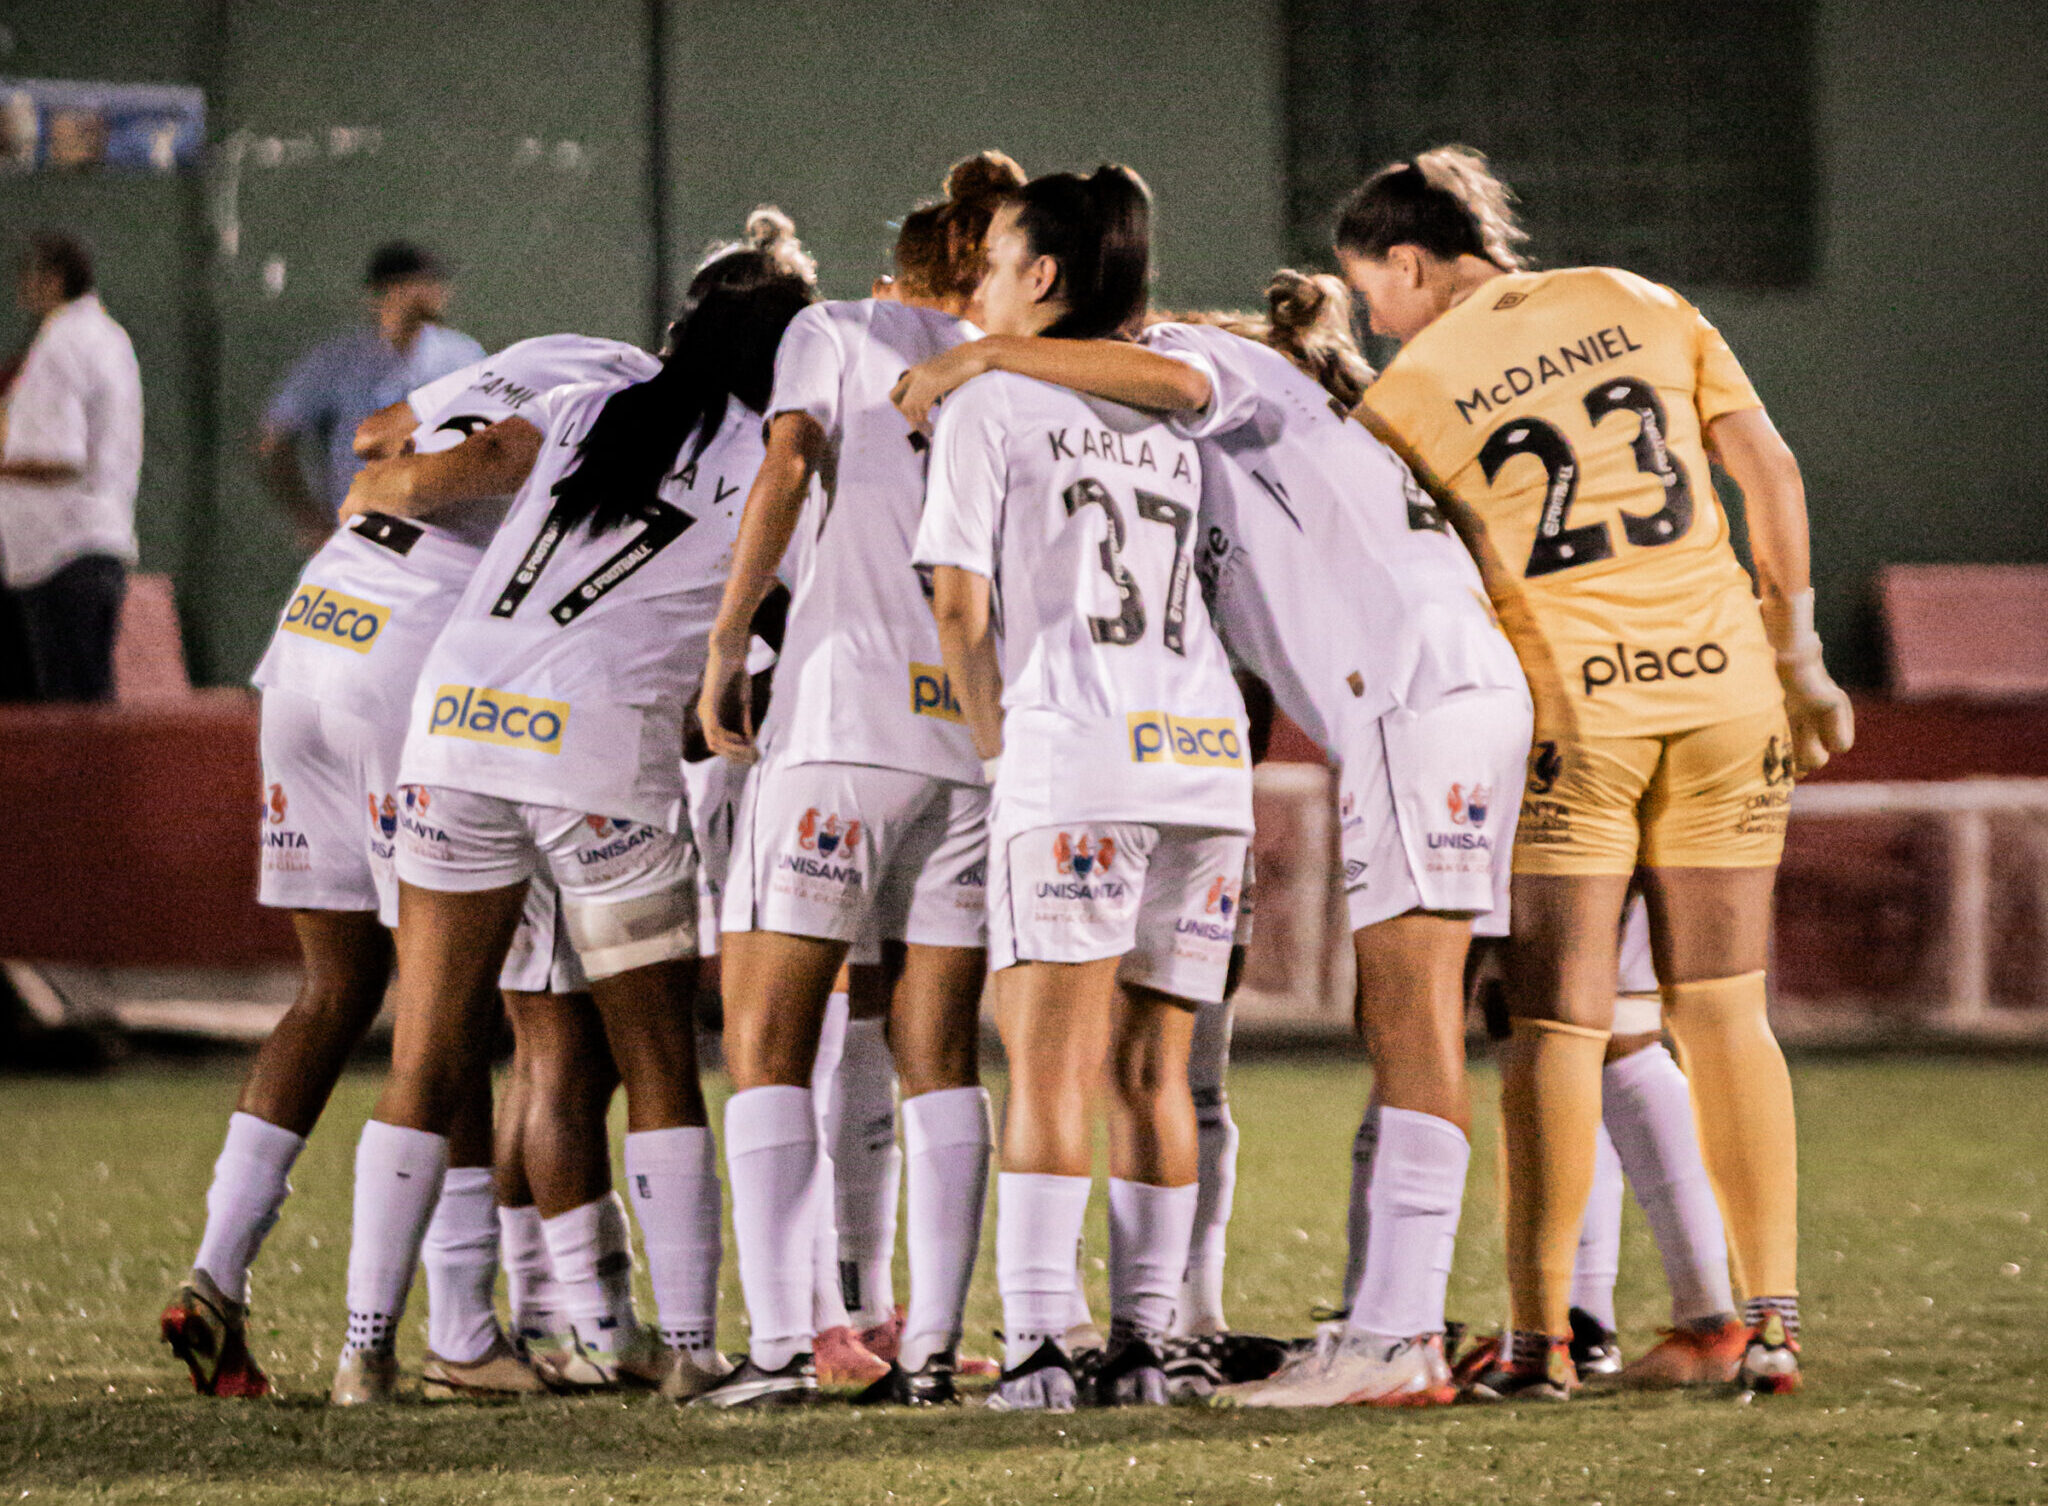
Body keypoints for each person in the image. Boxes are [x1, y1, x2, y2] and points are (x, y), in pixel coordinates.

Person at [899, 268, 1530, 1408]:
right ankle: (1385, 1322)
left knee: (1410, 1013)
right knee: (1399, 1013)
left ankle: (1394, 1338)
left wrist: (983, 355)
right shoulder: (1263, 449)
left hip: (1404, 696)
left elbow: (1172, 371)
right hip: (1438, 692)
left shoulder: (1214, 370)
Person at [1342, 147, 1853, 1398]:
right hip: (1726, 688)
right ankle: (1770, 1324)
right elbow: (1768, 473)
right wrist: (1798, 653)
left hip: (1580, 714)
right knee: (1723, 1012)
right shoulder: (1638, 298)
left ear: (1409, 263)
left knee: (1557, 1026)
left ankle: (1538, 1343)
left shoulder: (1403, 397)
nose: (1373, 319)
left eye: (1372, 294)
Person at [327, 212, 817, 1406]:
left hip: (455, 730)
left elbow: (401, 490)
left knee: (428, 1050)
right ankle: (690, 1346)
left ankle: (362, 1351)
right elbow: (785, 641)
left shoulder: (589, 408)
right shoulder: (782, 463)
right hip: (598, 760)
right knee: (652, 1060)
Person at [160, 332, 650, 1401]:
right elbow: (492, 459)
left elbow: (378, 437)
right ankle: (461, 1330)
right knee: (451, 1006)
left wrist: (390, 482)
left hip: (311, 638)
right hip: (411, 665)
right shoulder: (638, 397)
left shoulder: (541, 350)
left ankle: (216, 1273)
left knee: (334, 988)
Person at [911, 165, 1254, 1412]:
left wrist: (999, 746)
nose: (976, 290)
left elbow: (957, 601)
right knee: (1155, 1073)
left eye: (994, 262)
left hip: (1076, 758)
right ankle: (1150, 1346)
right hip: (1203, 769)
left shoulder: (986, 402)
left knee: (1047, 1072)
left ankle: (1045, 1346)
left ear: (1041, 277)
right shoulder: (1165, 411)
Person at [694, 151, 1024, 1409]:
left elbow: (786, 464)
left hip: (842, 722)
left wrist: (729, 642)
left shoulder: (832, 329)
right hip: (972, 743)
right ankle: (929, 1349)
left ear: (901, 263)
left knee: (767, 1040)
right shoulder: (1017, 367)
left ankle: (781, 1350)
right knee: (938, 1051)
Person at [259, 241, 483, 553]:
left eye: (437, 283)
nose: (435, 293)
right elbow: (274, 440)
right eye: (419, 283)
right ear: (383, 292)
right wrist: (310, 522)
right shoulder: (338, 359)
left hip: (444, 538)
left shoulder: (462, 355)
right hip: (361, 536)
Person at [0, 232, 142, 702]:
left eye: (30, 277)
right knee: (86, 718)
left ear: (53, 280)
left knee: (65, 730)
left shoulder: (60, 344)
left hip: (58, 552)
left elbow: (59, 459)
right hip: (95, 545)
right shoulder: (109, 336)